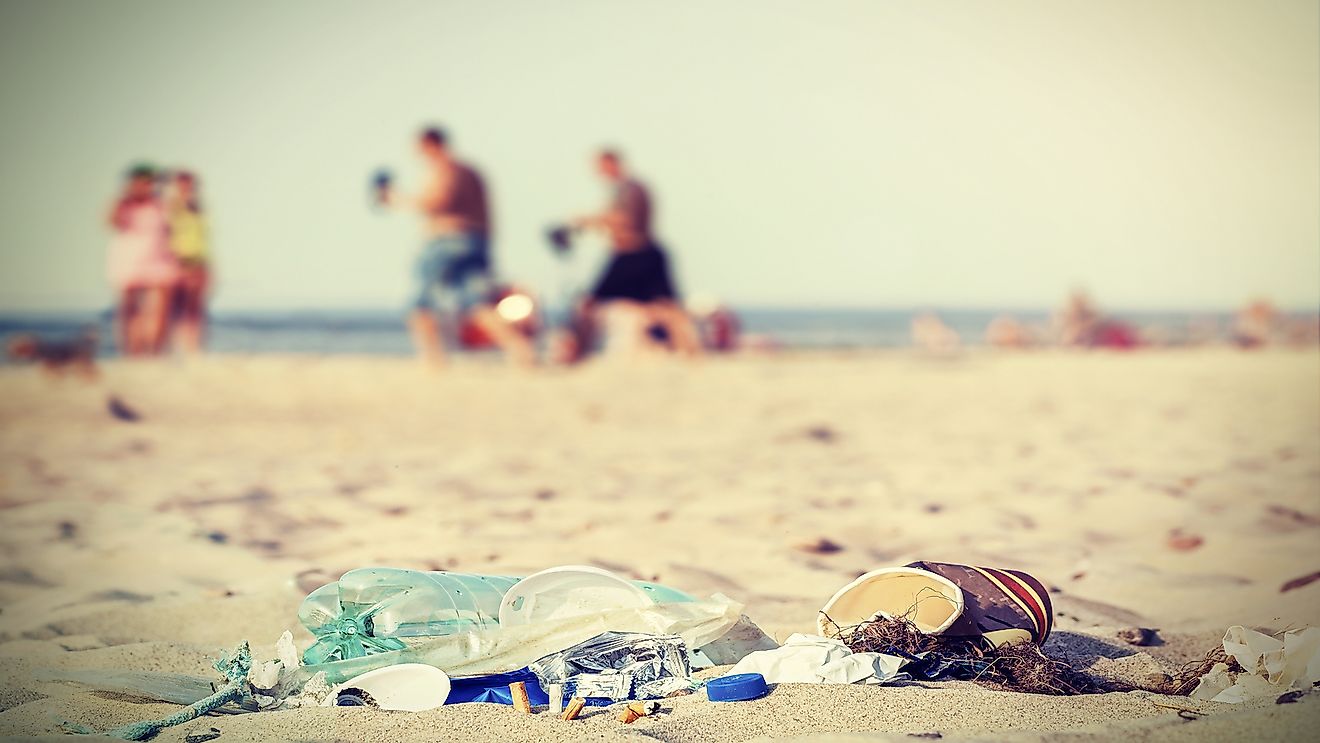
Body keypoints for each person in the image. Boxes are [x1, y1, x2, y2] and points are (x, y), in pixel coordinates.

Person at [382, 127, 534, 368]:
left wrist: (397, 199)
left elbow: (437, 201)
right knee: (476, 303)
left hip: (447, 242)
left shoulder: (447, 169)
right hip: (477, 241)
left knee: (420, 302)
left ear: (430, 145)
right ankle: (519, 349)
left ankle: (432, 360)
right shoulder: (471, 171)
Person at [574, 149, 700, 356]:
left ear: (612, 164)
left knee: (591, 304)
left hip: (636, 255)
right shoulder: (623, 189)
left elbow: (628, 221)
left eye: (601, 166)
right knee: (664, 308)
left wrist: (592, 220)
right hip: (636, 254)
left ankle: (578, 355)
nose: (598, 171)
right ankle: (579, 354)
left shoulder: (632, 189)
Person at [106, 164, 178, 356]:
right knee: (130, 311)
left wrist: (164, 182)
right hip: (128, 262)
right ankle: (132, 351)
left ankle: (154, 351)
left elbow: (175, 215)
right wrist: (124, 196)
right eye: (140, 182)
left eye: (148, 183)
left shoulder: (161, 204)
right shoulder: (123, 205)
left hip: (159, 260)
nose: (145, 187)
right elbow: (111, 222)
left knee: (159, 311)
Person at [165, 171, 211, 353]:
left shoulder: (198, 209)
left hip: (198, 261)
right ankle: (174, 348)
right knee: (175, 308)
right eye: (183, 186)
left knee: (195, 309)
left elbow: (202, 239)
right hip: (176, 262)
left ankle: (193, 348)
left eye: (191, 186)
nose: (187, 190)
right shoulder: (169, 208)